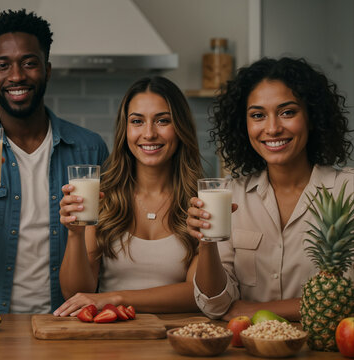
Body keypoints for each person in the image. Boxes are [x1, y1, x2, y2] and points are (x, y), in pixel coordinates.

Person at [0, 9, 109, 314]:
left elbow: (109, 249)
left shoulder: (89, 149)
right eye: (3, 66)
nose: (16, 76)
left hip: (68, 322)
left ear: (47, 70)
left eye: (29, 63)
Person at [187, 57, 354, 320]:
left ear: (311, 117)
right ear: (244, 126)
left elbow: (347, 297)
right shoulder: (232, 195)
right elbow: (215, 305)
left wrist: (254, 310)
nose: (273, 128)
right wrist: (206, 242)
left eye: (287, 112)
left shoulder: (348, 191)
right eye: (258, 115)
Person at [53, 77, 203, 317]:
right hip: (112, 342)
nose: (149, 133)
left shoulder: (200, 202)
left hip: (179, 340)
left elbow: (200, 294)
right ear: (125, 130)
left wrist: (115, 298)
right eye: (137, 121)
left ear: (180, 127)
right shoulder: (103, 197)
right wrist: (75, 234)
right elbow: (76, 294)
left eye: (163, 121)